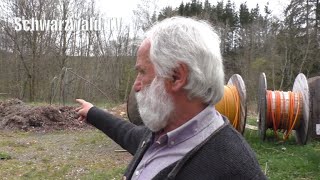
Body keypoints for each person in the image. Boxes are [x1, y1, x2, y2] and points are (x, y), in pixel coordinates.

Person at [76, 17, 267, 180]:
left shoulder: (235, 168)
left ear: (176, 76)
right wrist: (92, 112)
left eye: (142, 72)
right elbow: (128, 133)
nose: (136, 85)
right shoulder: (160, 134)